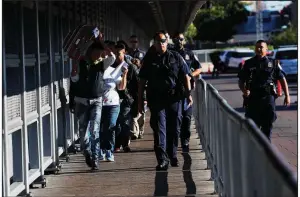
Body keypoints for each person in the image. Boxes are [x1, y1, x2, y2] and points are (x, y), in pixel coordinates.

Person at [138, 31, 192, 170]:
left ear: (167, 42)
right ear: (154, 43)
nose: (161, 43)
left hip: (174, 98)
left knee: (174, 128)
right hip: (156, 99)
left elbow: (186, 75)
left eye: (163, 41)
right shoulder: (149, 59)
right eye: (158, 41)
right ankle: (162, 159)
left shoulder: (176, 57)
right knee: (159, 129)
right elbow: (142, 81)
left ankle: (172, 154)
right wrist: (139, 100)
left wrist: (188, 94)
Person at [70, 41, 116, 170]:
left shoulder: (102, 63)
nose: (100, 55)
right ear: (90, 52)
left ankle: (95, 159)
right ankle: (87, 153)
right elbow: (74, 80)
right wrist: (74, 71)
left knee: (94, 130)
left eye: (101, 53)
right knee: (83, 132)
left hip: (96, 101)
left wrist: (100, 41)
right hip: (81, 101)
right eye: (97, 53)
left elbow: (112, 57)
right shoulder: (80, 62)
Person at [238, 40, 290, 141]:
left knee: (267, 125)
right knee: (253, 126)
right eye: (257, 47)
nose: (259, 49)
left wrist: (287, 96)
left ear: (266, 49)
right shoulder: (248, 63)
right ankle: (255, 148)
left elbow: (282, 79)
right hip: (253, 98)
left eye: (261, 47)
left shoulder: (274, 63)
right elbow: (241, 80)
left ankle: (266, 150)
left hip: (268, 97)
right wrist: (244, 90)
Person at [172, 32, 201, 152]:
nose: (179, 41)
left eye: (181, 39)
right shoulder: (170, 53)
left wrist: (190, 76)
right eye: (177, 39)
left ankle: (185, 141)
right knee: (175, 119)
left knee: (187, 118)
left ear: (184, 40)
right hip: (174, 91)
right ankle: (173, 144)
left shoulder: (189, 53)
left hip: (187, 90)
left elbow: (199, 68)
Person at [100, 42, 128, 162]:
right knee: (100, 128)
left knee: (111, 126)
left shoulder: (113, 70)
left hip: (113, 102)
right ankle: (100, 149)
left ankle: (109, 150)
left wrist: (125, 74)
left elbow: (121, 87)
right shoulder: (97, 69)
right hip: (99, 103)